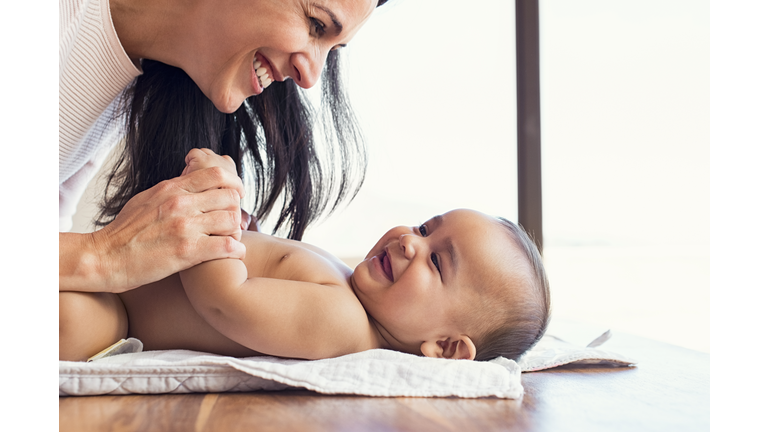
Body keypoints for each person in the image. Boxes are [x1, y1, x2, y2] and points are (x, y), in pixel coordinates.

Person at [60, 151, 551, 362]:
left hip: (119, 315)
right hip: (123, 282)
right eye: (425, 228)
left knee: (65, 318)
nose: (409, 242)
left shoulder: (343, 322)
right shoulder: (348, 290)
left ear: (445, 348)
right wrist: (251, 234)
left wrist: (215, 209)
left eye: (437, 262)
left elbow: (225, 301)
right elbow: (267, 267)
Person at [60, 0, 388, 294]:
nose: (311, 77)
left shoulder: (122, 84)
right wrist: (105, 255)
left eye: (333, 49)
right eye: (316, 25)